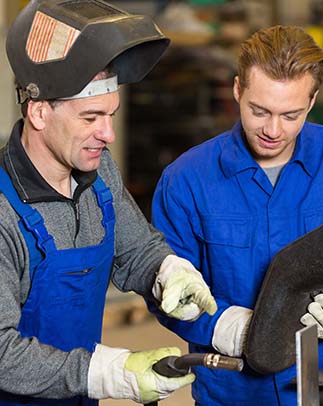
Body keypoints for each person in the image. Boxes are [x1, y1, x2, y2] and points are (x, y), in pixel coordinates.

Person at [0, 1, 218, 405]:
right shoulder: (3, 212)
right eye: (90, 118)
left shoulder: (99, 172)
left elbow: (135, 248)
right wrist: (107, 372)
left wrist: (167, 271)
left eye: (111, 115)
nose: (108, 134)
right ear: (39, 112)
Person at [150, 25, 323, 405]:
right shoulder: (187, 180)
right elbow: (161, 290)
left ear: (312, 100)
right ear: (238, 89)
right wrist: (229, 329)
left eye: (291, 115)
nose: (273, 130)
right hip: (232, 392)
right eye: (260, 111)